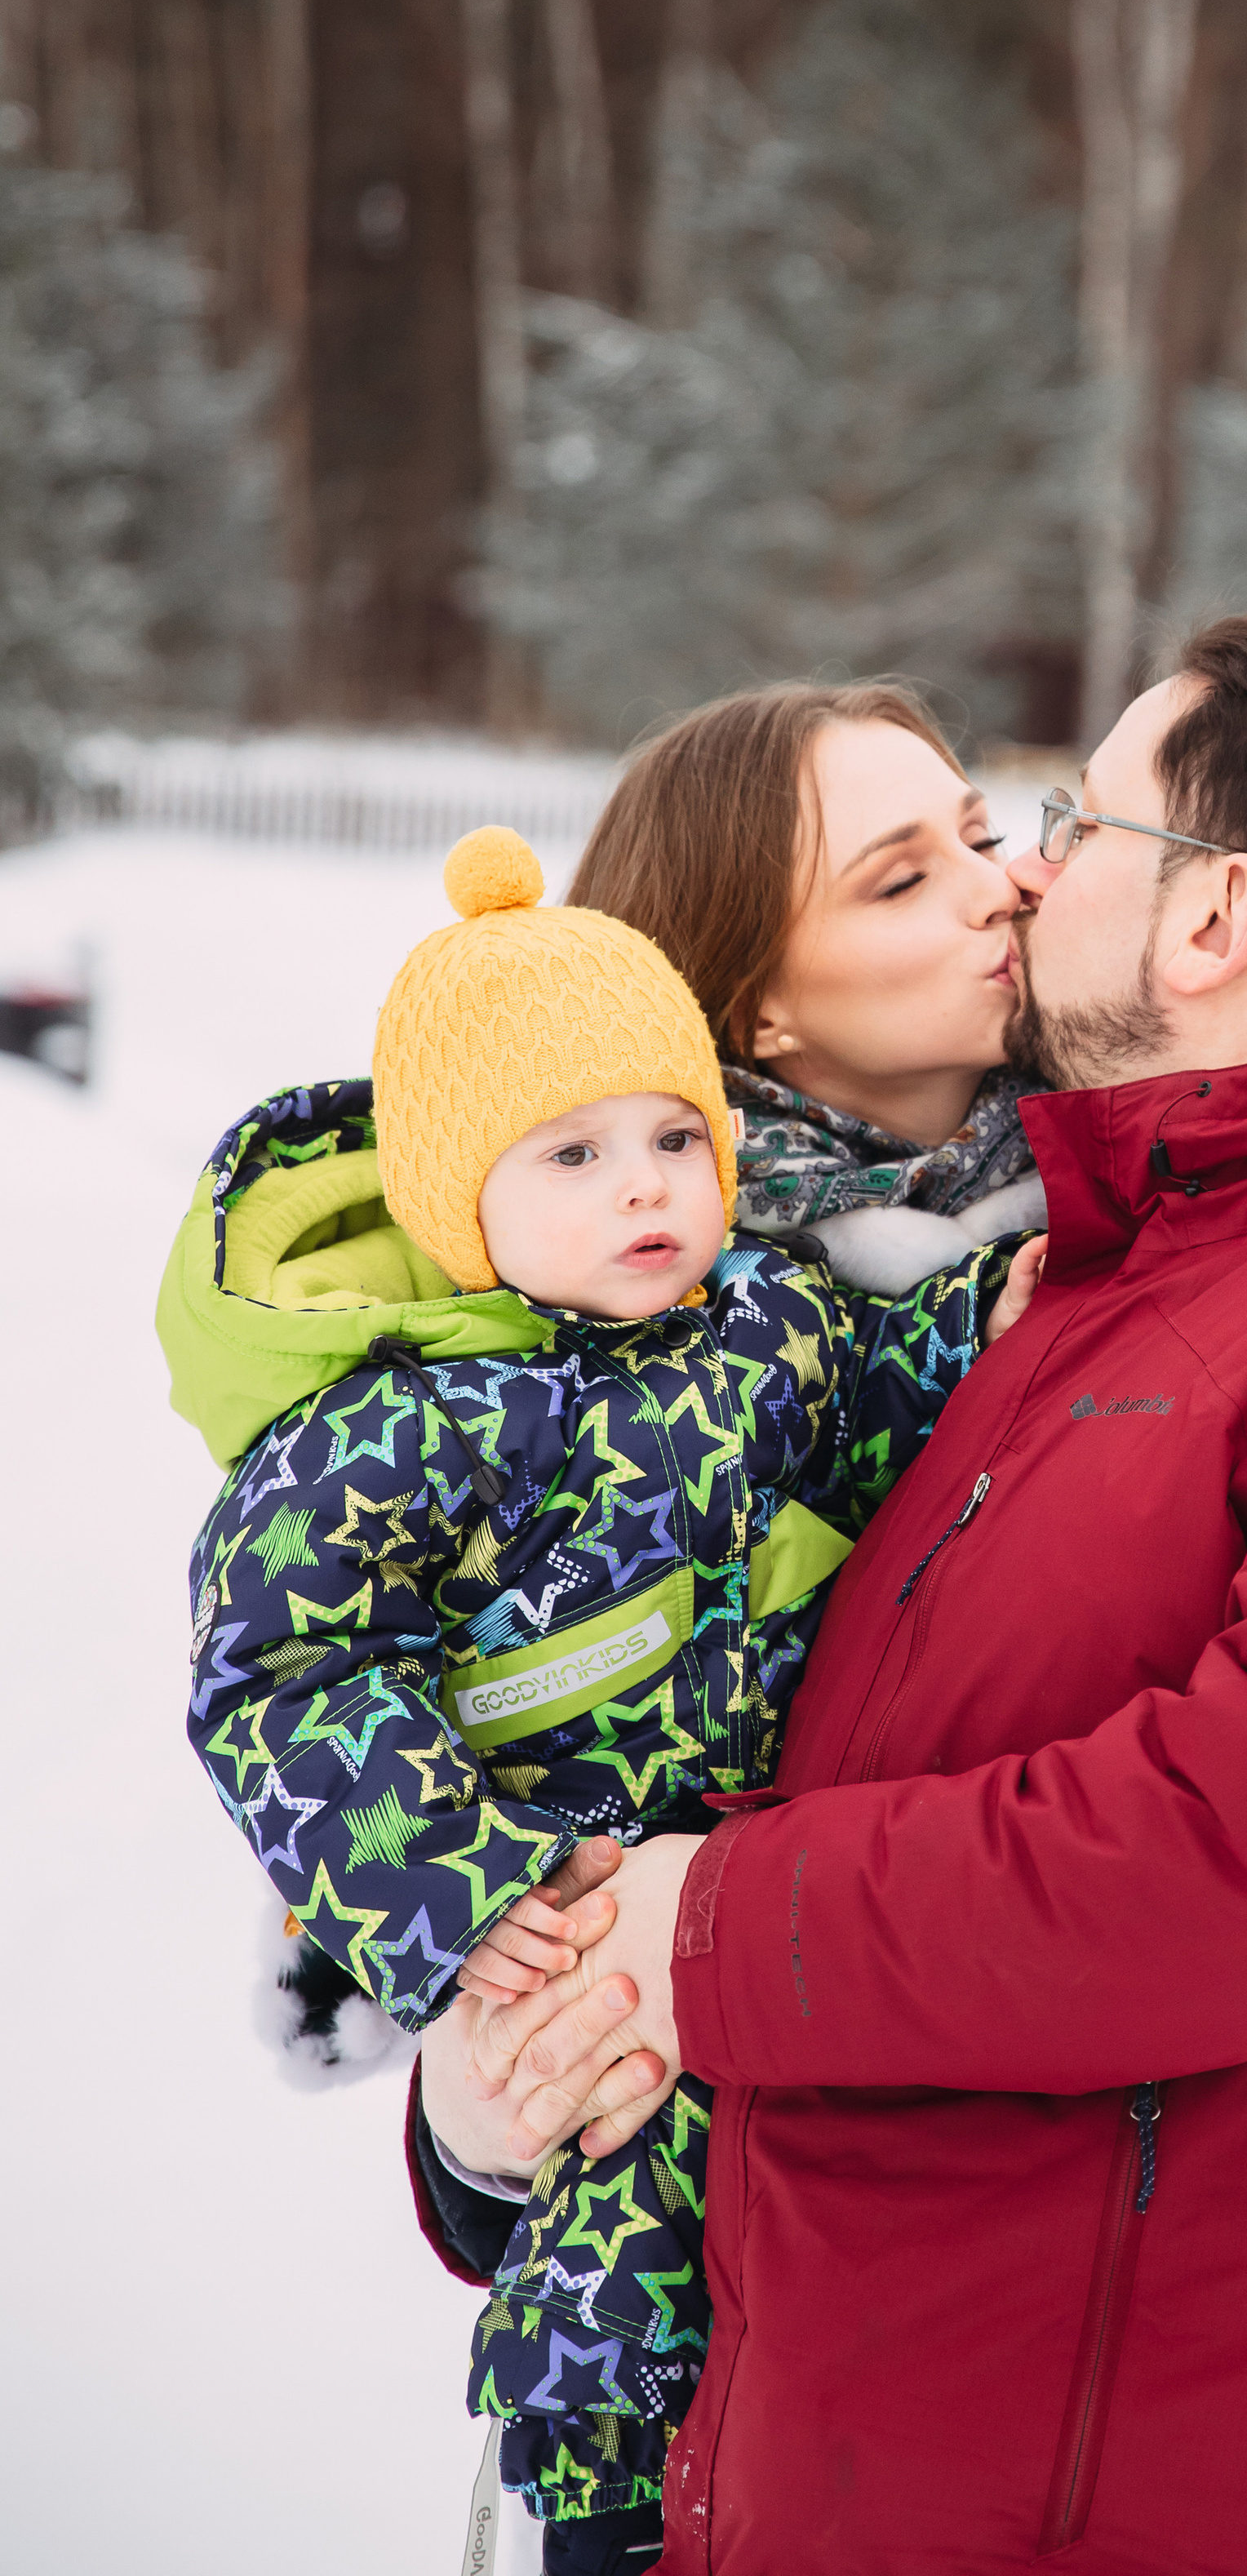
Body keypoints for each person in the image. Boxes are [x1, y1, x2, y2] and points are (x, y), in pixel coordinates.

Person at [425, 615, 1247, 2576]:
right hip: (751, 2464)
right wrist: (480, 2089)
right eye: (915, 866)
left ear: (1215, 915)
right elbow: (565, 1784)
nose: (1015, 877)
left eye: (1048, 821)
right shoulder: (1015, 1289)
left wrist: (694, 1930)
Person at [162, 825, 1040, 2572]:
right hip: (560, 1894)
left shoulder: (764, 1318)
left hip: (745, 1864)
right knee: (618, 2208)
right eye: (568, 1155)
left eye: (667, 1141)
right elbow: (279, 1670)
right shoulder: (407, 1428)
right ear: (454, 1208)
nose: (641, 1189)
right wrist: (453, 1884)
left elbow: (866, 1406)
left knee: (772, 2223)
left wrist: (984, 1323)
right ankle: (598, 2503)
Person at [563, 678, 1247, 1284]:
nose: (1004, 887)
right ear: (756, 1003)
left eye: (980, 835)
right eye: (898, 882)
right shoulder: (638, 1274)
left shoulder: (1136, 1133)